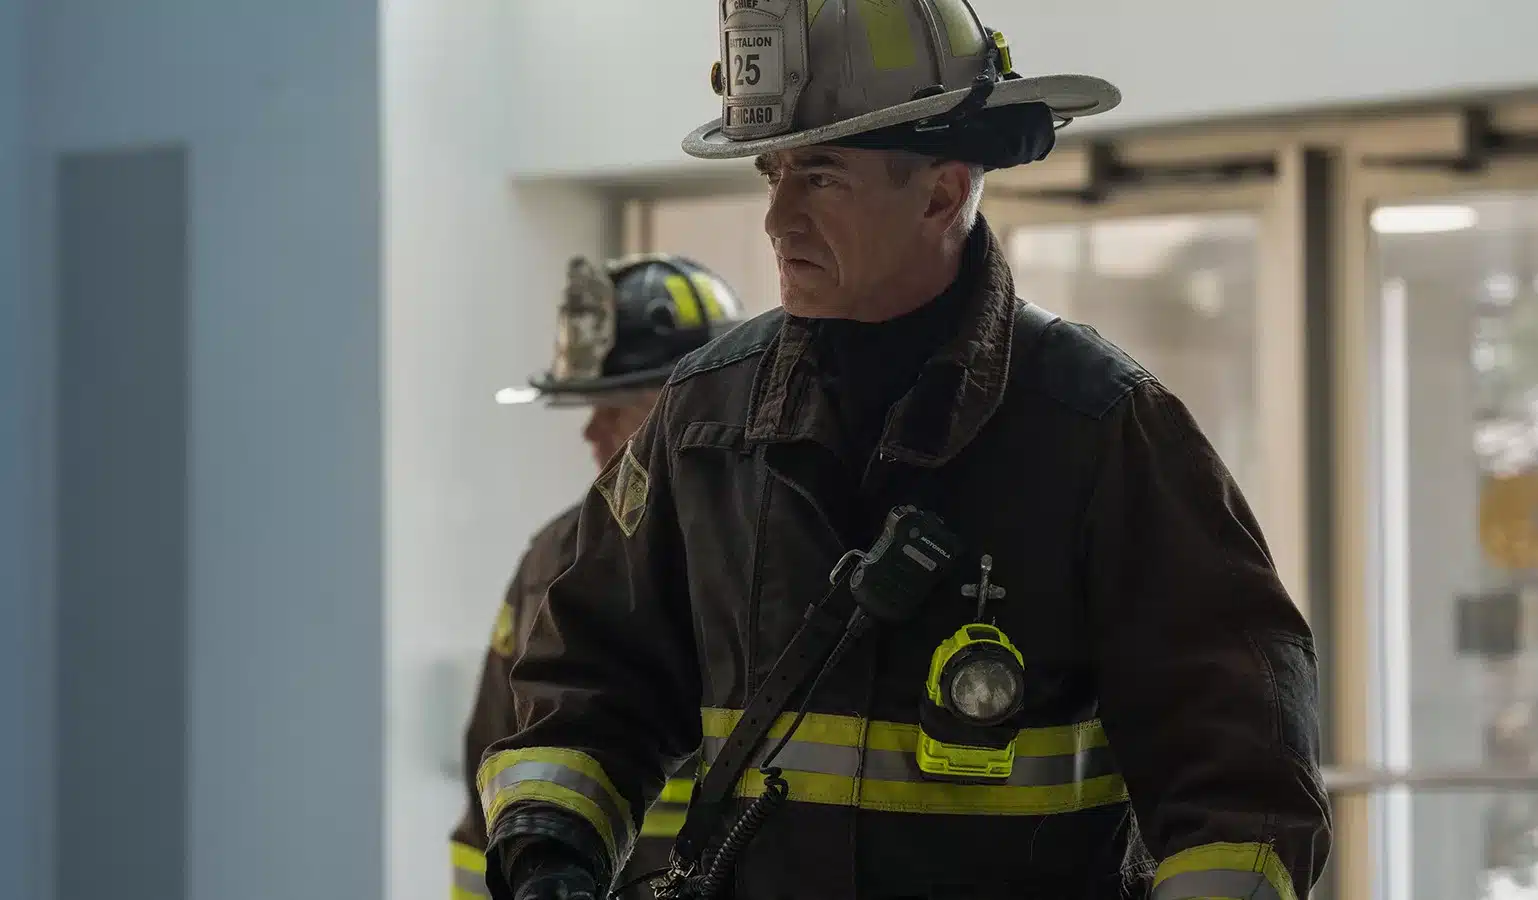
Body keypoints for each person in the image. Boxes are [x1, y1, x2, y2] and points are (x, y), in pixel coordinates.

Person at [478, 3, 1332, 899]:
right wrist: (550, 858)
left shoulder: (1104, 432)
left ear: (941, 195)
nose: (777, 219)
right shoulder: (704, 421)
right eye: (773, 173)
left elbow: (1240, 792)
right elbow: (591, 681)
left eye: (821, 176)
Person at [448, 254, 747, 900]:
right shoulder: (553, 556)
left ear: (689, 407)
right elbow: (490, 786)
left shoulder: (772, 550)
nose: (591, 429)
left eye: (615, 407)